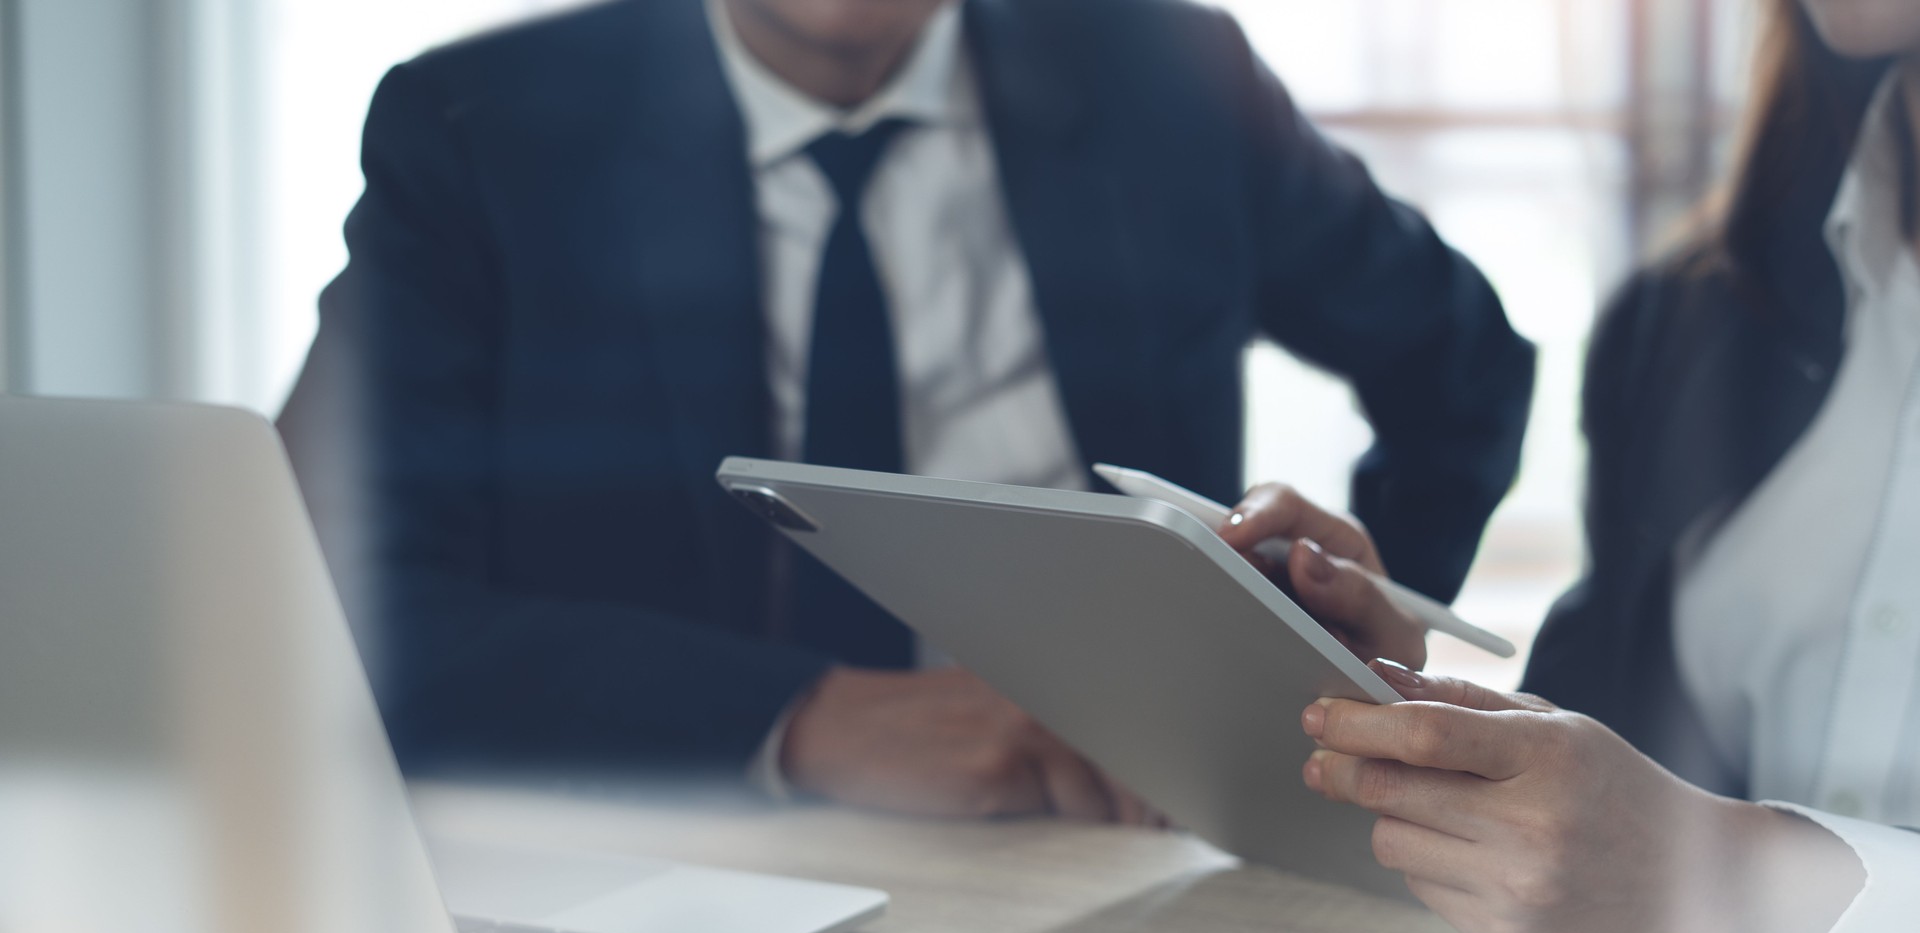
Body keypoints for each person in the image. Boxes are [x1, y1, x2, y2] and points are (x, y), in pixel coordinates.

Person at [277, 0, 1534, 822]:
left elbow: (1461, 364)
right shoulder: (485, 130)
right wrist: (798, 717)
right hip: (679, 834)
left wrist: (1324, 674)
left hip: (1111, 833)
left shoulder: (1168, 72)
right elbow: (328, 590)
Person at [1224, 0, 1920, 933]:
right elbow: (1610, 816)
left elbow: (1683, 869)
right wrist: (1402, 716)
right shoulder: (1690, 323)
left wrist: (1738, 886)